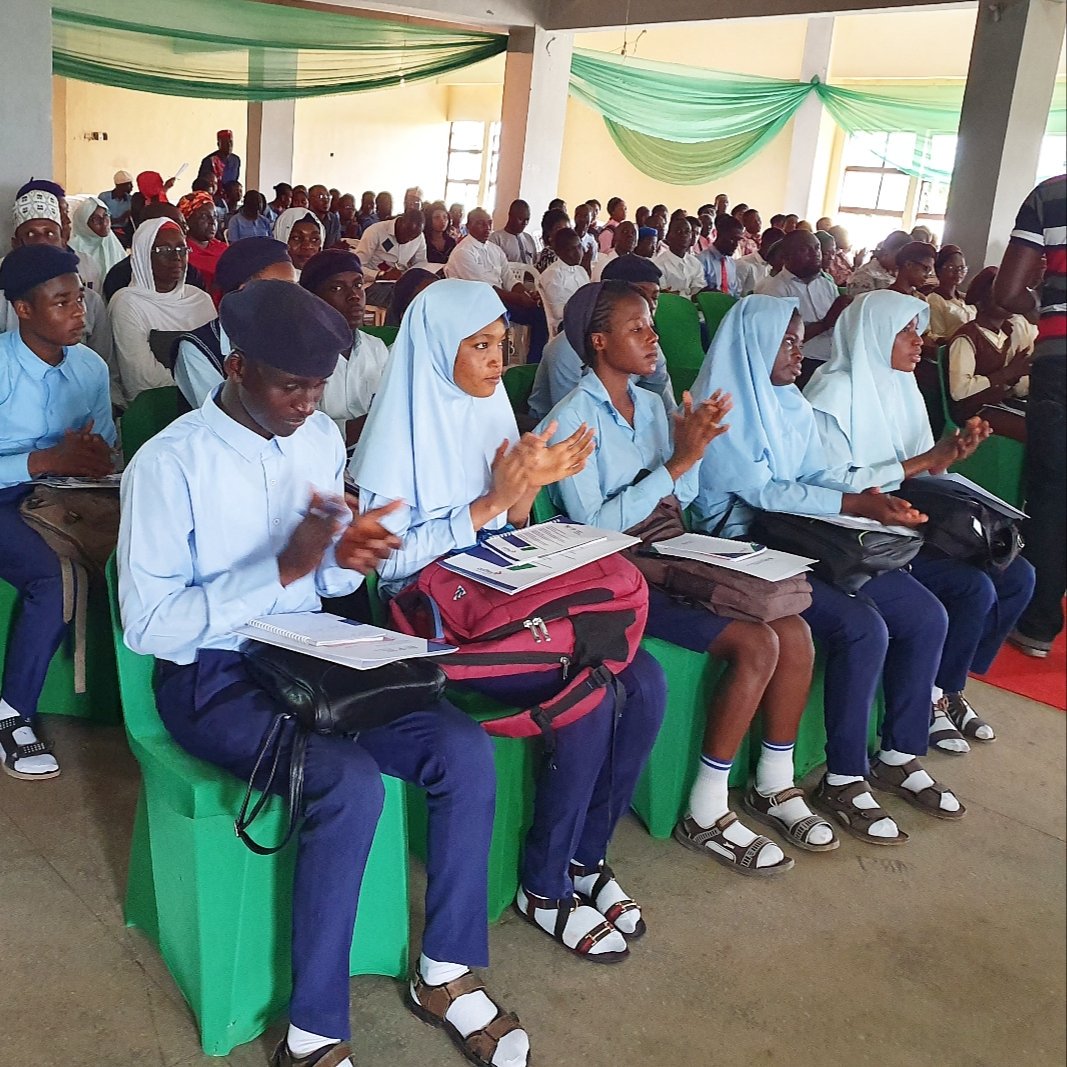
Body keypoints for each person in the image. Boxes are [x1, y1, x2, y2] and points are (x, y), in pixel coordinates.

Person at [119, 279, 529, 1067]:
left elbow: (326, 585)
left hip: (315, 651)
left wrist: (344, 559)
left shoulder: (313, 442)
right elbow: (148, 623)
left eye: (318, 385)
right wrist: (282, 567)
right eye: (289, 383)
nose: (308, 402)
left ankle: (443, 969)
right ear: (236, 367)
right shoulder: (169, 466)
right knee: (347, 781)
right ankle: (313, 1032)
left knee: (461, 749)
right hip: (213, 674)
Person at [352, 277, 665, 965]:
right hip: (433, 618)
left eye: (502, 344)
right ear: (439, 349)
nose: (498, 361)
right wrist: (493, 502)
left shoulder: (491, 404)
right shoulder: (401, 423)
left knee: (644, 678)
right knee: (587, 694)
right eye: (481, 346)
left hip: (506, 593)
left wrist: (523, 496)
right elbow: (390, 562)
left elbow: (512, 522)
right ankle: (544, 883)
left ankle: (586, 855)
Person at [540, 280, 834, 870]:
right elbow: (595, 528)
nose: (653, 338)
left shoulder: (651, 406)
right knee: (757, 643)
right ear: (598, 342)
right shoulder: (571, 420)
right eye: (636, 328)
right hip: (622, 571)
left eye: (651, 325)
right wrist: (674, 463)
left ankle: (774, 781)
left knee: (794, 627)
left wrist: (692, 452)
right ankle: (706, 806)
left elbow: (687, 500)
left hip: (676, 545)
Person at [689, 296, 964, 842]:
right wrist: (857, 507)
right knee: (862, 627)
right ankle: (842, 776)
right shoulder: (720, 409)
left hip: (806, 539)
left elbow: (824, 472)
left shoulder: (789, 403)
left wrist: (872, 498)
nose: (799, 351)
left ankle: (899, 752)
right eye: (787, 342)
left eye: (796, 340)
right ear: (756, 347)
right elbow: (765, 493)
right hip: (741, 549)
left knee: (925, 616)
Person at [806, 289, 1034, 752]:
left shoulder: (902, 385)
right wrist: (924, 461)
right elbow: (832, 484)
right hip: (858, 531)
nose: (920, 341)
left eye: (918, 330)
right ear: (873, 335)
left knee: (1019, 575)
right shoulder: (833, 391)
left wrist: (947, 458)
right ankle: (933, 697)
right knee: (974, 587)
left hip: (910, 517)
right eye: (906, 331)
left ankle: (947, 688)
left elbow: (921, 466)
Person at [0, 244, 117, 780]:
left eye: (81, 298)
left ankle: (135, 693)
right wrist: (46, 459)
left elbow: (106, 448)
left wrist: (96, 459)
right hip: (6, 495)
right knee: (53, 577)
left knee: (144, 547)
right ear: (23, 309)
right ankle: (12, 717)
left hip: (66, 492)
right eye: (62, 302)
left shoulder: (89, 366)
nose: (79, 313)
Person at [528, 255, 676, 422]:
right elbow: (571, 416)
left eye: (654, 297)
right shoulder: (566, 348)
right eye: (638, 295)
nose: (649, 304)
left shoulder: (647, 342)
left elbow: (663, 400)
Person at [3, 191, 116, 399]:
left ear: (63, 239)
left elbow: (106, 366)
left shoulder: (90, 301)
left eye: (50, 233)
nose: (42, 242)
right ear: (16, 243)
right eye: (31, 234)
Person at [172, 238, 296, 409]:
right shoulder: (196, 349)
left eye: (295, 287)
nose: (294, 297)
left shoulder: (294, 333)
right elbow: (221, 416)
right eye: (281, 289)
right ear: (244, 291)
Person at [108, 217, 216, 404]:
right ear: (143, 254)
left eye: (182, 249)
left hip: (206, 404)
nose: (176, 257)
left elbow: (217, 360)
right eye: (163, 250)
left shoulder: (200, 299)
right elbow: (141, 379)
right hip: (155, 408)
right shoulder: (128, 303)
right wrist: (203, 385)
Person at [299, 248, 391, 447]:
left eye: (358, 285)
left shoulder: (376, 348)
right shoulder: (298, 355)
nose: (354, 296)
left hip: (372, 453)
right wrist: (368, 424)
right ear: (312, 298)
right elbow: (302, 434)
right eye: (337, 288)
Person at [445, 209, 548, 362]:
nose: (487, 227)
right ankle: (504, 360)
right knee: (514, 315)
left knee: (540, 311)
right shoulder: (463, 252)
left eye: (489, 223)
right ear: (469, 226)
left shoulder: (494, 249)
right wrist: (520, 299)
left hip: (498, 299)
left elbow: (509, 279)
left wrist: (526, 294)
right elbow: (486, 289)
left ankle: (533, 363)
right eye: (480, 224)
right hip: (475, 303)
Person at [945, 267, 1031, 440]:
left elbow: (1002, 384)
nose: (1008, 300)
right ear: (981, 302)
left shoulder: (1005, 333)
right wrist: (1008, 373)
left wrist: (1016, 375)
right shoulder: (967, 337)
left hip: (995, 403)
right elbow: (959, 391)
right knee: (1034, 429)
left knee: (1047, 419)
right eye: (1000, 295)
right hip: (973, 411)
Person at [757, 230, 851, 380]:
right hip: (799, 364)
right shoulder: (774, 289)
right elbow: (775, 342)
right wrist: (825, 323)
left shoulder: (826, 284)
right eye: (805, 249)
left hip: (833, 359)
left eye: (817, 248)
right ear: (786, 256)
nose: (815, 254)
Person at [535, 228, 589, 336]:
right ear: (559, 251)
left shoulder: (581, 271)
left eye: (579, 247)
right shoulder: (553, 275)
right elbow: (558, 312)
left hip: (582, 321)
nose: (578, 252)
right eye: (571, 249)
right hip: (565, 327)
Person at [67, 197, 126, 293]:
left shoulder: (112, 241)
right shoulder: (73, 250)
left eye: (106, 215)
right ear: (84, 223)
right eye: (96, 219)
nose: (104, 222)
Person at [178, 191, 228, 300]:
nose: (212, 221)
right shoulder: (179, 252)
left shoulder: (224, 249)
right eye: (204, 216)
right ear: (187, 219)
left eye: (215, 216)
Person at [356, 210, 430, 282]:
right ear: (400, 222)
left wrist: (409, 274)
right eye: (407, 233)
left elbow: (421, 262)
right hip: (376, 281)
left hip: (402, 281)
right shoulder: (375, 231)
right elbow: (356, 266)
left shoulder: (419, 236)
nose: (408, 239)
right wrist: (381, 275)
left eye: (413, 237)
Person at [924, 245, 973, 344]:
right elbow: (937, 336)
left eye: (961, 268)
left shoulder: (964, 298)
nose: (958, 272)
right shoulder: (935, 300)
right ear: (939, 270)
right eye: (951, 267)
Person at [652, 216, 705, 298]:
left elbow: (699, 292)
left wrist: (679, 293)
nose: (684, 235)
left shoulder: (695, 263)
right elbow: (665, 296)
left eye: (687, 232)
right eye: (679, 232)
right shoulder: (658, 265)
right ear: (668, 236)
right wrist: (689, 294)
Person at [847, 231, 909, 296]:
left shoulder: (898, 275)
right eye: (900, 256)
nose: (903, 262)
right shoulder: (863, 277)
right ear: (886, 253)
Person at [696, 214, 743, 296]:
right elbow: (700, 293)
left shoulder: (731, 264)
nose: (736, 244)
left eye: (738, 240)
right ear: (720, 234)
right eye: (732, 239)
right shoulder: (701, 260)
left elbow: (736, 293)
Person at [273, 208, 326, 275]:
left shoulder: (327, 280)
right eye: (296, 238)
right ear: (281, 238)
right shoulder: (267, 282)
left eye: (314, 239)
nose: (307, 246)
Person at [736, 227, 781, 296]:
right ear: (764, 244)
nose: (780, 254)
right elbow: (735, 295)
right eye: (777, 250)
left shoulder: (773, 266)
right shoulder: (744, 264)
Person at [98, 170, 134, 247]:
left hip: (124, 230)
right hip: (107, 229)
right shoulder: (104, 197)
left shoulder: (130, 199)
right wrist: (121, 218)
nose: (132, 187)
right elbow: (100, 219)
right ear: (121, 185)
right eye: (129, 184)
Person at [533, 209, 570, 274]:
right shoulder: (548, 255)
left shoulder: (568, 252)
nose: (565, 233)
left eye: (567, 229)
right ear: (549, 233)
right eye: (559, 229)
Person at [307, 184, 341, 250]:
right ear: (310, 199)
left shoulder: (333, 219)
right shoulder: (303, 218)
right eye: (321, 197)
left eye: (328, 197)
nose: (326, 201)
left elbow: (336, 243)